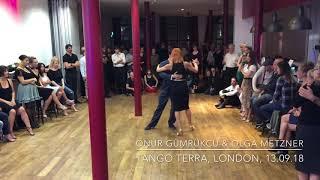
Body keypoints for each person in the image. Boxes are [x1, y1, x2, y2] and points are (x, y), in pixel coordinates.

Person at [157, 48, 199, 136]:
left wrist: (158, 65)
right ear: (181, 55)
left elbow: (158, 70)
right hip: (183, 87)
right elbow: (196, 70)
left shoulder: (170, 66)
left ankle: (179, 129)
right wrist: (195, 63)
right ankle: (190, 125)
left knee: (176, 109)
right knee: (186, 107)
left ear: (172, 55)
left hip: (174, 88)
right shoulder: (186, 64)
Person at [294, 64, 320, 180]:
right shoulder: (311, 85)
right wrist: (304, 86)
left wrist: (312, 98)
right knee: (304, 166)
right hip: (305, 127)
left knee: (315, 167)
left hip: (315, 129)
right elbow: (296, 102)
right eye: (318, 67)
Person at [255, 61, 298, 125]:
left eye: (278, 68)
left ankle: (273, 124)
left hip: (283, 105)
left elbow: (276, 95)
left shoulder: (281, 79)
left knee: (262, 108)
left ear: (281, 69)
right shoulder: (294, 79)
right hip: (291, 105)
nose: (276, 70)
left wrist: (272, 101)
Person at [1, 63, 35, 137]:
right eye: (6, 71)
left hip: (11, 100)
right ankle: (10, 131)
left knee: (22, 109)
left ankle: (29, 128)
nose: (7, 72)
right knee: (12, 111)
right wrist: (8, 102)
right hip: (2, 102)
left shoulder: (9, 81)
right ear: (1, 73)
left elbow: (13, 91)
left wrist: (13, 99)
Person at [144, 60, 179, 130]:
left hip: (175, 87)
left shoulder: (179, 63)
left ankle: (171, 123)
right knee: (160, 107)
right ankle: (152, 124)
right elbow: (159, 72)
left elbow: (183, 73)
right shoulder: (164, 63)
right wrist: (171, 76)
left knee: (174, 107)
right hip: (165, 88)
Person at [239, 52, 257, 121]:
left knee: (248, 99)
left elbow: (247, 75)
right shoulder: (246, 65)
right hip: (244, 81)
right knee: (244, 98)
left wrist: (242, 71)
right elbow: (240, 69)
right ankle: (246, 114)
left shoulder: (253, 66)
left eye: (248, 56)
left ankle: (248, 116)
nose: (247, 58)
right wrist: (242, 63)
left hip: (249, 82)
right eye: (247, 56)